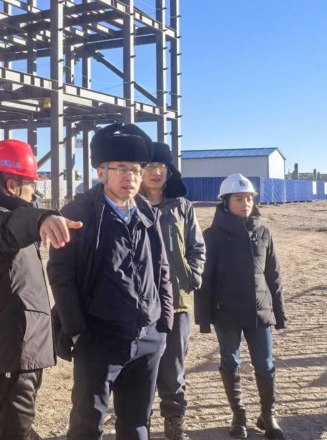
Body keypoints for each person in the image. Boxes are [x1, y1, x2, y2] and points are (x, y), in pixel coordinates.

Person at [47, 123, 174, 440]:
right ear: (102, 172)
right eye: (121, 169)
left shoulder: (147, 212)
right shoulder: (79, 213)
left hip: (147, 338)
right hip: (98, 337)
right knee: (87, 424)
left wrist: (164, 322)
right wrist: (76, 330)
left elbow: (161, 267)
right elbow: (61, 274)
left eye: (136, 169)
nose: (130, 176)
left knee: (137, 423)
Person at [0, 139, 82, 440]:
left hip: (16, 352)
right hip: (8, 354)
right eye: (30, 185)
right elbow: (9, 225)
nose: (33, 193)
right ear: (12, 185)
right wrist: (41, 218)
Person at [194, 174, 287, 440]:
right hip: (227, 314)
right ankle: (239, 415)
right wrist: (204, 318)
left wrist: (279, 313)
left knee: (265, 364)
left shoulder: (264, 233)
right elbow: (205, 280)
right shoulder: (212, 236)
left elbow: (273, 275)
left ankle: (268, 414)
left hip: (260, 311)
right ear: (226, 202)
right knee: (230, 362)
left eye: (249, 198)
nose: (245, 203)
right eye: (239, 199)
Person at [140, 142, 206, 440]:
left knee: (173, 367)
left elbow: (196, 246)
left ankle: (174, 423)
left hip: (176, 301)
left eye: (161, 167)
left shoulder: (181, 207)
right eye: (150, 166)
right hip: (139, 302)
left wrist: (193, 275)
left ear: (169, 172)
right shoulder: (130, 204)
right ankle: (139, 423)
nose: (156, 172)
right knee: (139, 368)